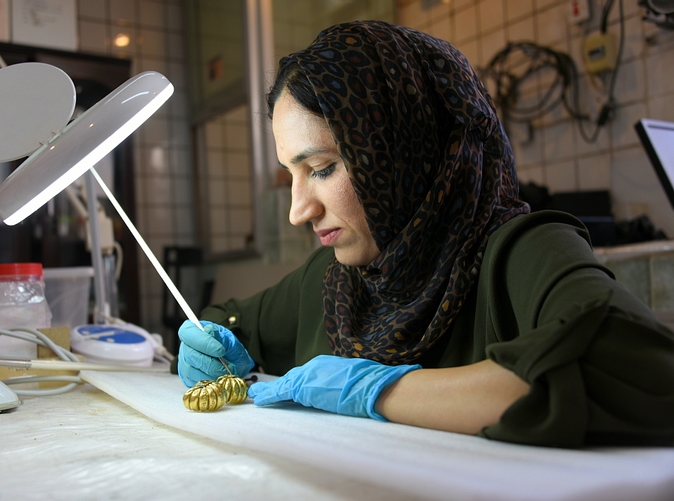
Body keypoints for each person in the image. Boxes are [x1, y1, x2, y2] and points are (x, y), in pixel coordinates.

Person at [175, 20, 674, 448]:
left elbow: (639, 370)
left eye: (322, 168)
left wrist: (381, 390)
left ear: (404, 154)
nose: (297, 211)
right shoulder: (334, 282)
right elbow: (223, 322)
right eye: (292, 175)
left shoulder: (521, 251)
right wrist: (211, 344)